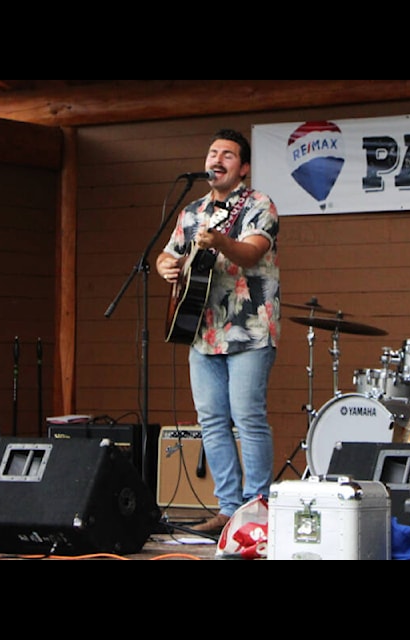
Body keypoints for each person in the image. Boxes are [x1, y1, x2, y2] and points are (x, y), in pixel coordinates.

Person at [156, 129, 280, 534]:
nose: (217, 159)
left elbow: (252, 251)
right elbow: (168, 252)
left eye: (228, 154)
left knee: (247, 418)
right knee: (211, 420)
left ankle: (256, 507)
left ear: (242, 168)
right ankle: (228, 508)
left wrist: (221, 241)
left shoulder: (259, 204)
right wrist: (165, 266)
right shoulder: (191, 210)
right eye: (212, 152)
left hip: (249, 328)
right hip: (200, 328)